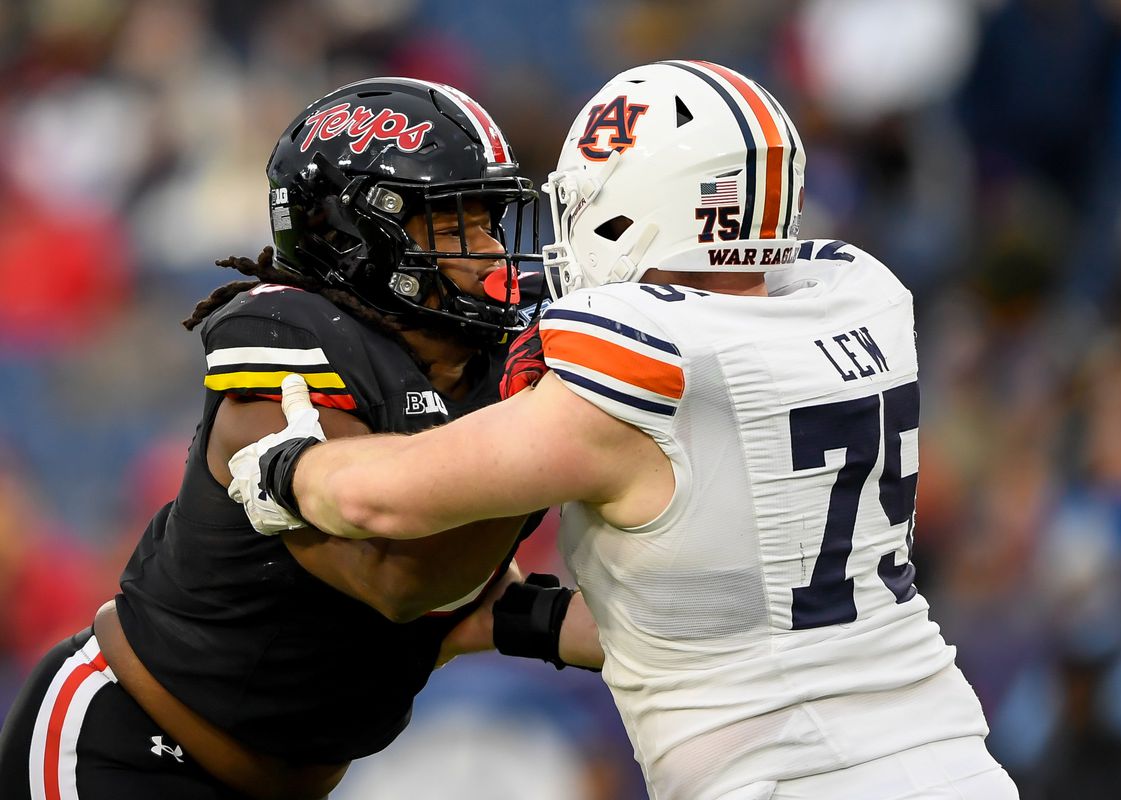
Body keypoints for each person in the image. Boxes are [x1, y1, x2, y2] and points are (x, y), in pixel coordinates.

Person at [231, 61, 1020, 800]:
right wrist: (518, 621)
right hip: (949, 759)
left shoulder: (645, 371)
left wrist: (287, 468)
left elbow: (387, 501)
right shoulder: (848, 296)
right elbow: (712, 626)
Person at [0, 77, 545, 800]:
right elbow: (398, 578)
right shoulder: (291, 341)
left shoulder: (479, 378)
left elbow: (462, 590)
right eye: (455, 226)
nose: (487, 253)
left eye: (489, 223)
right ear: (356, 235)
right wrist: (541, 427)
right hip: (124, 750)